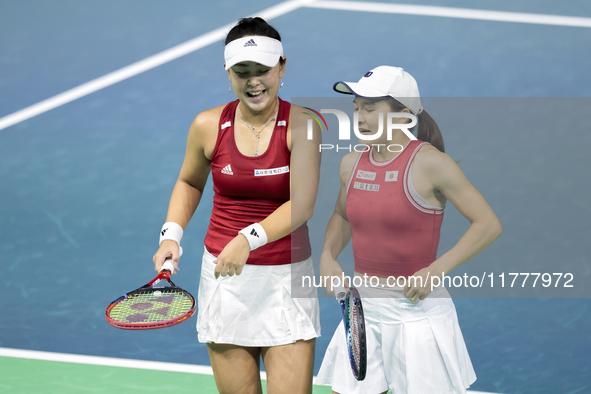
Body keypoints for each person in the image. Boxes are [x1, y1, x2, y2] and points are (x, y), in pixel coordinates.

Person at [152, 17, 322, 394]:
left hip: (286, 278)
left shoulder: (303, 126)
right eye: (241, 71)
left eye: (262, 70)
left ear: (282, 67)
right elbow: (189, 181)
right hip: (225, 280)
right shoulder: (208, 124)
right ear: (228, 72)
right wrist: (171, 235)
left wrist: (248, 238)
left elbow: (304, 203)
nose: (253, 81)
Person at [316, 66, 502, 394]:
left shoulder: (432, 164)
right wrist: (328, 257)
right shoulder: (352, 163)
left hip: (415, 313)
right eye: (357, 107)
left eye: (370, 109)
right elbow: (341, 215)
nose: (359, 116)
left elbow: (488, 224)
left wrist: (437, 269)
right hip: (363, 310)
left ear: (402, 116)